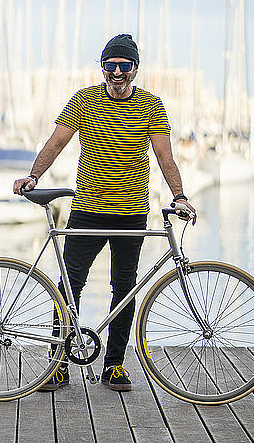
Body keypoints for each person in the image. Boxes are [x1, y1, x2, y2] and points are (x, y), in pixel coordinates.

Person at [13, 33, 197, 392]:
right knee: (70, 286)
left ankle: (114, 365)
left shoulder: (151, 105)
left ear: (135, 69)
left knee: (124, 289)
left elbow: (164, 156)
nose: (116, 72)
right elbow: (56, 141)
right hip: (88, 210)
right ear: (102, 67)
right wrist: (35, 175)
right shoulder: (85, 100)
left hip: (131, 213)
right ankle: (59, 364)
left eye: (123, 66)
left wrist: (179, 196)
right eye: (109, 65)